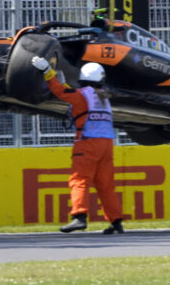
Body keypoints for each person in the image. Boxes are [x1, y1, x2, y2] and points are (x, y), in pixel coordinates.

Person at [30, 56, 124, 235]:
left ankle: (79, 217)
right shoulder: (104, 98)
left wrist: (47, 73)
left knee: (79, 179)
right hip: (107, 144)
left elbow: (60, 91)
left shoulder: (83, 95)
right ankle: (116, 221)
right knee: (105, 184)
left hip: (88, 143)